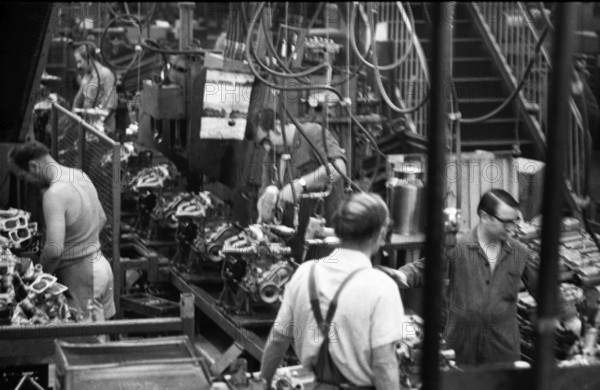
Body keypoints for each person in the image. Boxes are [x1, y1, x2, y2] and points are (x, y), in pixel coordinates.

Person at [388, 189, 581, 367]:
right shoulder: (458, 247)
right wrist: (403, 274)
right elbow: (425, 268)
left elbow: (545, 287)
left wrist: (569, 315)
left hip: (502, 347)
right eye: (506, 222)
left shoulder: (520, 252)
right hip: (462, 345)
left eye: (515, 221)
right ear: (484, 217)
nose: (513, 227)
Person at [260, 193, 404, 389]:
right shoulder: (382, 287)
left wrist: (263, 382)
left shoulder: (305, 273)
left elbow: (278, 340)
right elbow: (384, 365)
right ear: (379, 235)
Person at [8, 141, 116, 323]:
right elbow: (102, 218)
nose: (28, 184)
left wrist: (38, 280)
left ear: (33, 166)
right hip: (102, 268)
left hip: (82, 279)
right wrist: (82, 242)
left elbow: (54, 250)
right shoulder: (79, 175)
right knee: (104, 342)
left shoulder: (55, 194)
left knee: (84, 346)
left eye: (25, 178)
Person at [245, 107, 348, 261]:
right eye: (262, 144)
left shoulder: (312, 134)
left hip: (325, 243)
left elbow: (338, 170)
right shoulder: (272, 156)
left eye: (266, 140)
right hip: (294, 247)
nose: (267, 147)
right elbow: (265, 201)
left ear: (278, 125)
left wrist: (301, 184)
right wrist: (266, 205)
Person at [72, 44, 118, 135]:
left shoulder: (106, 75)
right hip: (88, 127)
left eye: (80, 62)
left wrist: (98, 126)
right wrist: (73, 116)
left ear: (89, 59)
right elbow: (78, 99)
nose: (78, 66)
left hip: (103, 130)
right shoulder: (86, 76)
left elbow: (111, 105)